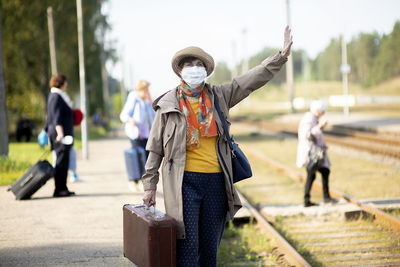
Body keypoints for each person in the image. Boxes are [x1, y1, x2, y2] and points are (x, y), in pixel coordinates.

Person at [141, 27, 292, 266]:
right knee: (187, 250)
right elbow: (155, 148)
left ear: (205, 70)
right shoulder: (168, 105)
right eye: (188, 64)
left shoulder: (219, 96)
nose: (194, 67)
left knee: (209, 252)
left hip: (216, 184)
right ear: (180, 70)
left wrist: (280, 56)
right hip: (183, 184)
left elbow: (251, 80)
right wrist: (149, 186)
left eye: (198, 63)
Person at [296, 100, 338, 207]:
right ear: (318, 111)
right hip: (311, 154)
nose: (323, 114)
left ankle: (311, 199)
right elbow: (308, 135)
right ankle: (320, 198)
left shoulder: (312, 118)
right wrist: (319, 127)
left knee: (316, 174)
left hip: (313, 153)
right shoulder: (309, 119)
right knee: (317, 173)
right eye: (322, 111)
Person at [120, 80, 155, 191]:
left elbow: (154, 116)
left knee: (146, 159)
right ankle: (133, 181)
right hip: (136, 134)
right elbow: (124, 115)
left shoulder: (147, 101)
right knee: (136, 158)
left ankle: (142, 181)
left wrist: (150, 101)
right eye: (146, 89)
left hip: (146, 135)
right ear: (141, 89)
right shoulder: (134, 98)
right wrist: (131, 120)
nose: (147, 91)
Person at [45, 74, 75, 197]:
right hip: (60, 135)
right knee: (61, 162)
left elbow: (50, 117)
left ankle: (63, 187)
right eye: (65, 82)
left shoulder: (54, 96)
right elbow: (56, 117)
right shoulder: (56, 96)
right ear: (61, 83)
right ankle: (60, 189)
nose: (66, 85)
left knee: (63, 161)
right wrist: (60, 133)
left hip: (60, 134)